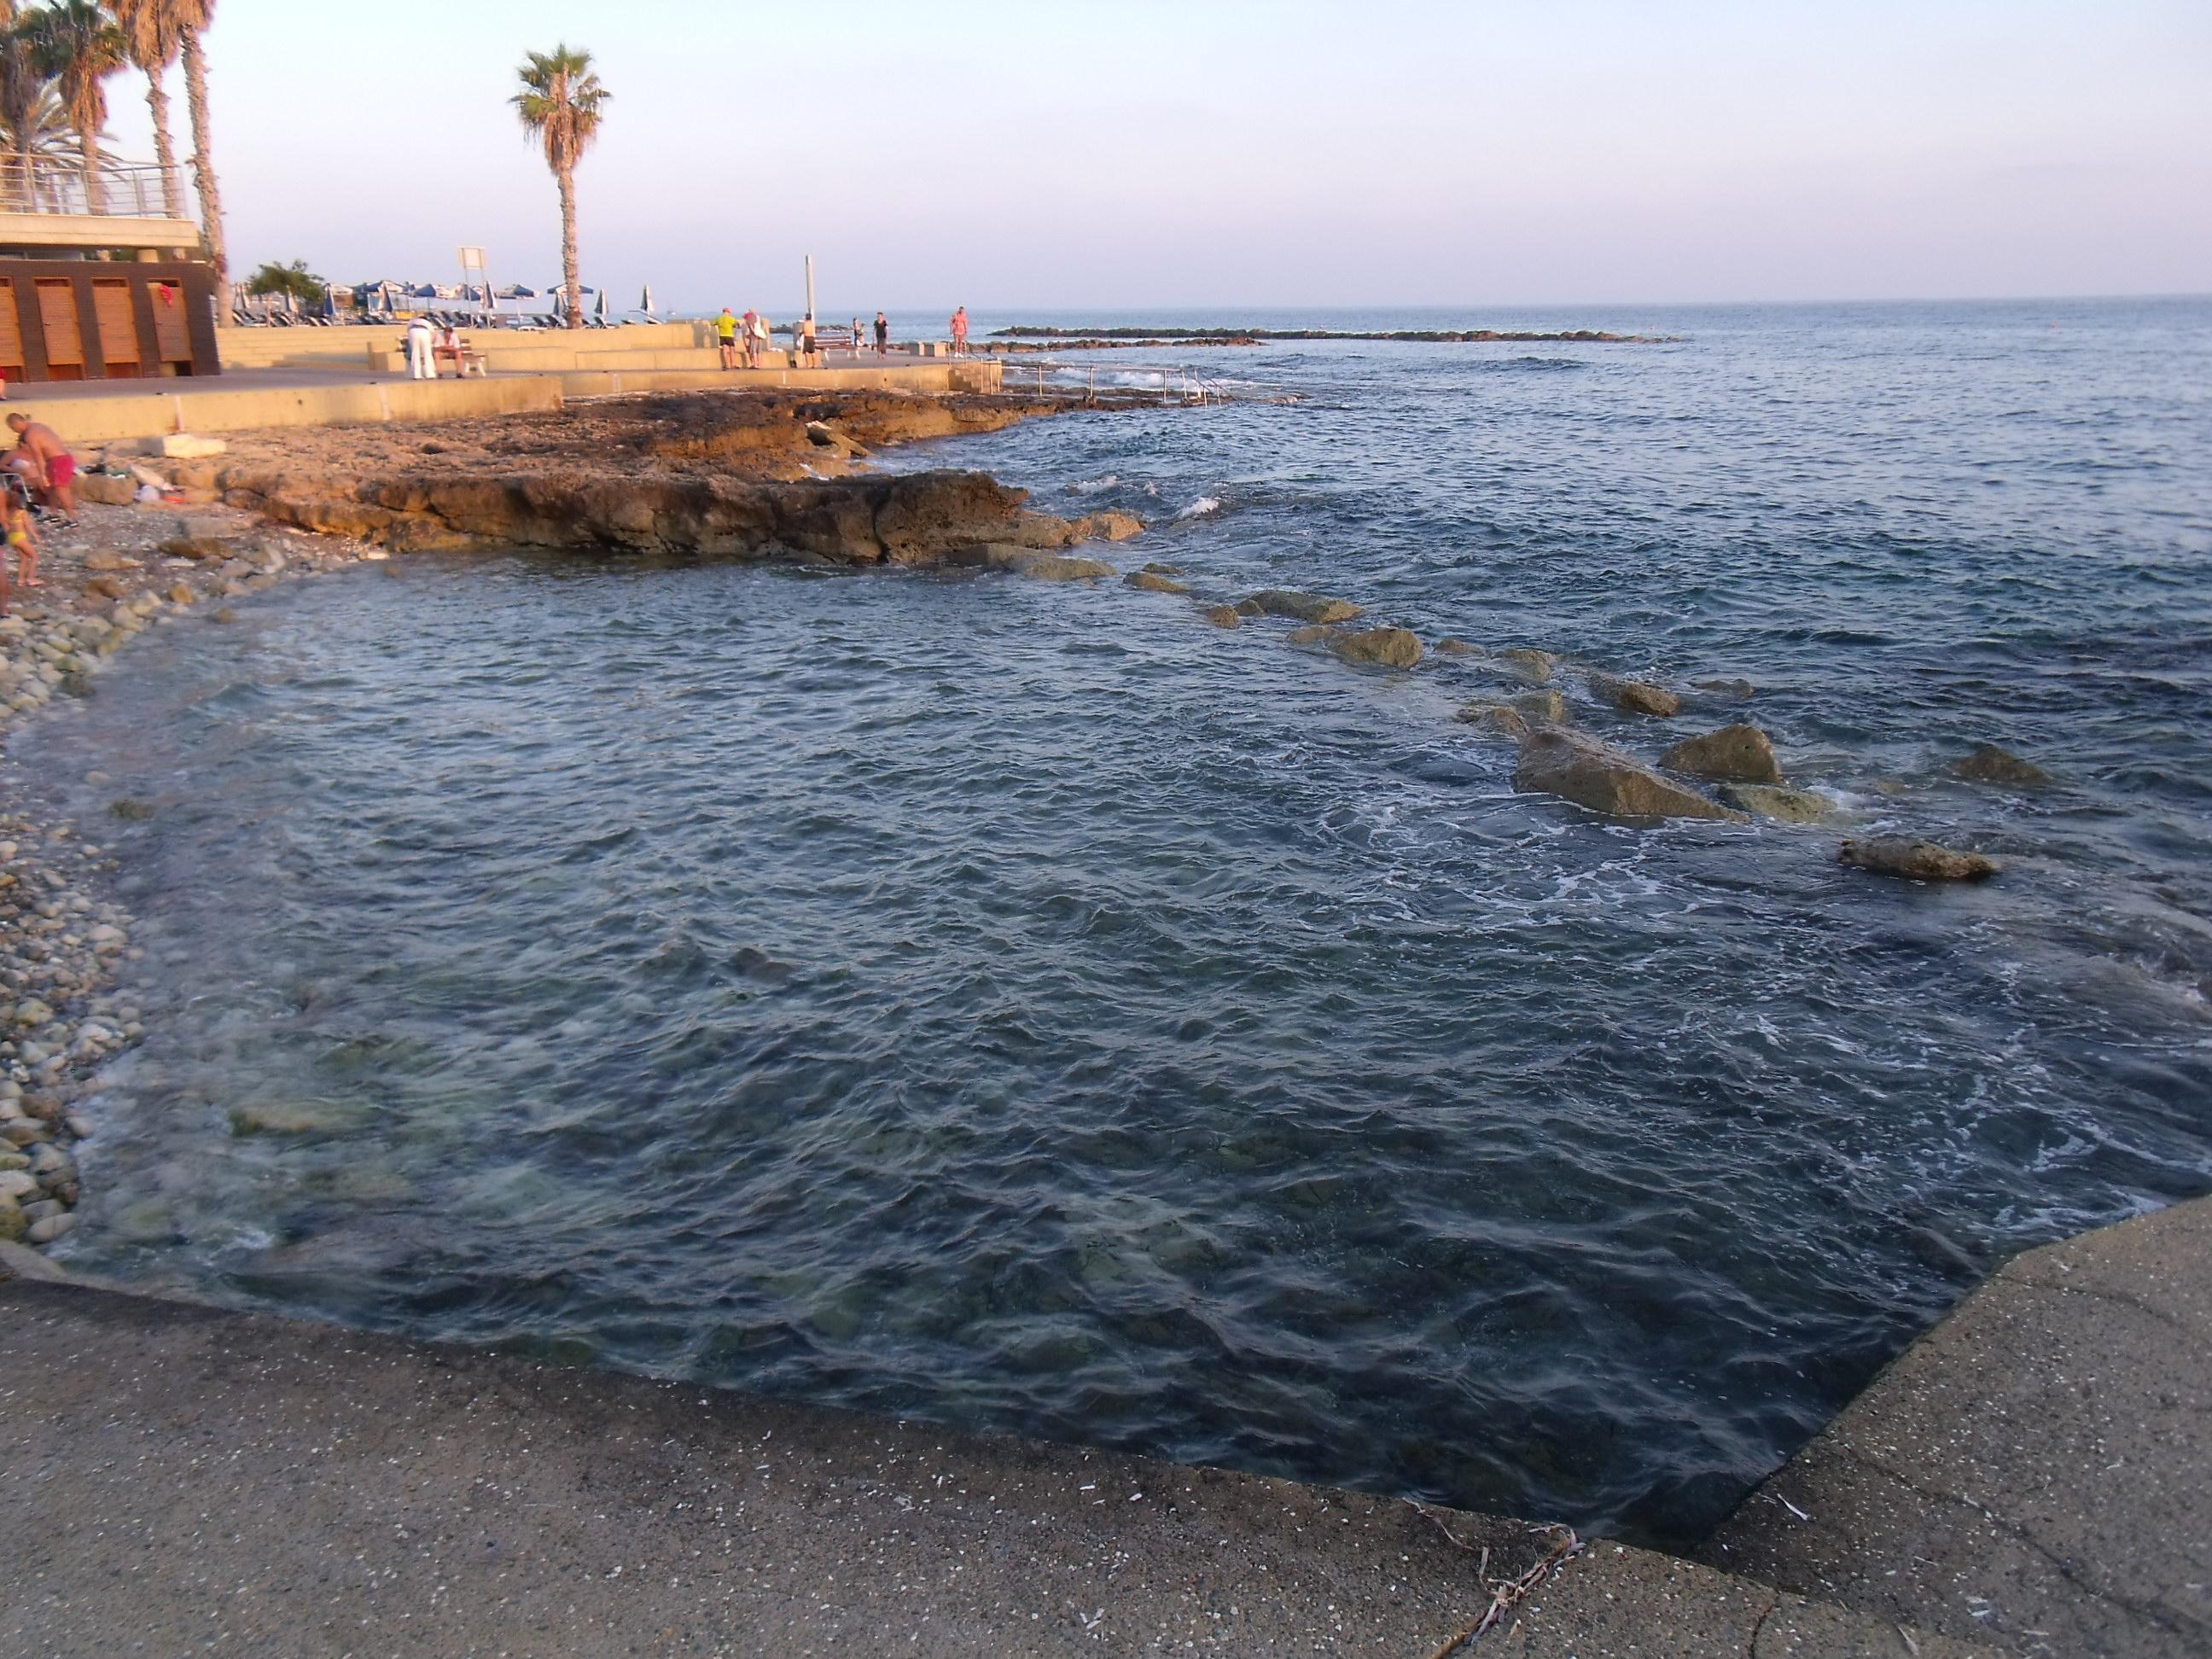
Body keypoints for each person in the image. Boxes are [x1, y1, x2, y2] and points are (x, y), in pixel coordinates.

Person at [7, 413, 75, 524]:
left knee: (61, 489)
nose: (15, 431)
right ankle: (54, 513)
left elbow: (37, 455)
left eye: (14, 428)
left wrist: (42, 474)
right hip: (57, 459)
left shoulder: (30, 435)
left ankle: (72, 517)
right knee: (52, 488)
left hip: (59, 460)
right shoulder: (39, 426)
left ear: (17, 423)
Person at [405, 314, 435, 381]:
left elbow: (408, 331)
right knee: (427, 354)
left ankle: (416, 375)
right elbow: (432, 334)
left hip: (412, 332)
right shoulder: (428, 323)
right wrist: (430, 343)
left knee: (415, 354)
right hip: (424, 332)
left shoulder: (412, 321)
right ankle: (430, 374)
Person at [715, 306, 741, 370]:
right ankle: (733, 364)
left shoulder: (719, 318)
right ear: (728, 312)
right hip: (729, 335)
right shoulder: (730, 318)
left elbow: (712, 323)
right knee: (732, 349)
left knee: (724, 350)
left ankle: (726, 364)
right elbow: (736, 324)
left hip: (722, 335)